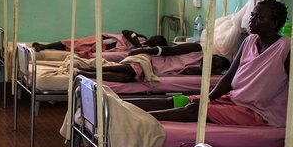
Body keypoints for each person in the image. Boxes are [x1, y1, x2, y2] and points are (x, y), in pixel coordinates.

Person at [148, 0, 293, 128]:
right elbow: (229, 77)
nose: (251, 20)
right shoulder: (249, 41)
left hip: (261, 113)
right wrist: (207, 99)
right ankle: (124, 109)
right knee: (180, 100)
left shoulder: (290, 51)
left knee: (194, 110)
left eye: (259, 17)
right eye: (253, 15)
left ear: (275, 23)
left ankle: (140, 119)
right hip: (236, 101)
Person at [77, 41, 230, 83]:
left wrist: (211, 70)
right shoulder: (197, 49)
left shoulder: (196, 69)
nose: (214, 63)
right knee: (131, 70)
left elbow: (188, 71)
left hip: (153, 70)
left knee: (127, 79)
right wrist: (143, 50)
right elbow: (169, 50)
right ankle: (87, 71)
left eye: (216, 67)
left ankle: (89, 74)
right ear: (215, 54)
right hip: (149, 59)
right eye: (216, 60)